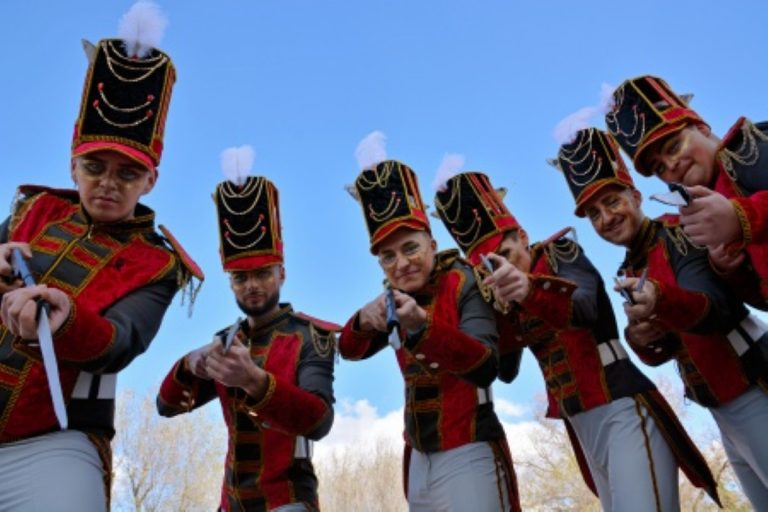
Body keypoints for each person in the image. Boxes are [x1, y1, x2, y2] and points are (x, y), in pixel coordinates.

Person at [0, 4, 202, 511]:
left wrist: (67, 320)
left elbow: (122, 341)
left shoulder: (156, 262)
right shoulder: (34, 208)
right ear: (73, 164)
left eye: (127, 174)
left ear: (150, 180)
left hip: (50, 438)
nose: (108, 184)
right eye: (94, 167)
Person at [434, 169, 719, 511]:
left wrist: (528, 290)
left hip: (619, 404)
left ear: (522, 236)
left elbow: (586, 305)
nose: (499, 268)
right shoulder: (500, 295)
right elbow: (505, 370)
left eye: (505, 254)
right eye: (486, 268)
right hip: (578, 423)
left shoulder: (559, 252)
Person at [559, 126, 768, 508]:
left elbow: (714, 308)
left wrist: (659, 301)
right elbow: (664, 349)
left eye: (612, 202)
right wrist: (641, 338)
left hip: (754, 383)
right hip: (720, 405)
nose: (606, 218)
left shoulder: (678, 232)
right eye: (594, 213)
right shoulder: (629, 267)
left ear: (636, 197)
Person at [338, 134, 520, 512]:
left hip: (469, 447)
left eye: (410, 249)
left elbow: (487, 364)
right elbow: (347, 349)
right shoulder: (391, 297)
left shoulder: (464, 280)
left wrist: (424, 327)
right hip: (418, 458)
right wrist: (362, 320)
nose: (401, 264)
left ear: (432, 246)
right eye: (388, 258)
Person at [157, 154, 336, 512]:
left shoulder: (311, 335)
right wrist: (190, 364)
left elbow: (318, 420)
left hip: (288, 499)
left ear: (281, 274)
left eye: (263, 274)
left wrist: (256, 381)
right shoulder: (227, 339)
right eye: (240, 278)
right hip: (230, 502)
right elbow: (167, 407)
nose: (252, 285)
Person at [606, 74, 768, 308]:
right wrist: (728, 269)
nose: (670, 166)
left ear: (701, 128)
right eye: (659, 167)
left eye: (674, 147)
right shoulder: (699, 217)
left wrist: (740, 217)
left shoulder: (747, 148)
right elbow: (758, 299)